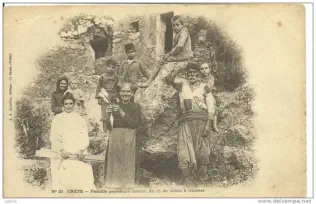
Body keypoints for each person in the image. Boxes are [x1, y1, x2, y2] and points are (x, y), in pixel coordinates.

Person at [165, 63, 217, 185]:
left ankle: (200, 179)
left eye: (195, 73)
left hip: (202, 122)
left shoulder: (205, 87)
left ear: (199, 75)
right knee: (184, 150)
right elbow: (169, 79)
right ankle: (187, 179)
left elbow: (211, 107)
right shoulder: (183, 84)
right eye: (190, 73)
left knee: (202, 151)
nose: (192, 75)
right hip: (186, 122)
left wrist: (208, 125)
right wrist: (183, 66)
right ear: (187, 75)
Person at [50, 92, 95, 190]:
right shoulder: (57, 118)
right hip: (63, 150)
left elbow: (84, 137)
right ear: (63, 105)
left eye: (70, 103)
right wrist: (61, 150)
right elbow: (53, 137)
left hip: (77, 150)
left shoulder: (79, 119)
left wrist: (81, 149)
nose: (68, 106)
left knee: (81, 170)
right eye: (66, 104)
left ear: (74, 104)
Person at [104, 83, 142, 188]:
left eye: (128, 91)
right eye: (123, 91)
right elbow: (109, 126)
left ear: (132, 94)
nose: (125, 93)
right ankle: (114, 184)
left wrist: (120, 112)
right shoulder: (115, 105)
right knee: (116, 160)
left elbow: (134, 123)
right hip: (115, 136)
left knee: (127, 160)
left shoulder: (136, 106)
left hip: (129, 137)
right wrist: (108, 115)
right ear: (120, 93)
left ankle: (127, 185)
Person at [141, 15, 193, 87]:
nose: (175, 27)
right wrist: (169, 54)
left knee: (160, 60)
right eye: (173, 25)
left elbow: (180, 46)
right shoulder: (179, 33)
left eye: (177, 25)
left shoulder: (184, 31)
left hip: (183, 57)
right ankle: (151, 79)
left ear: (182, 24)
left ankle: (149, 81)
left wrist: (169, 54)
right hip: (180, 56)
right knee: (163, 57)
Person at [95, 58, 119, 133]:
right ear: (106, 67)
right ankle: (105, 132)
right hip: (105, 97)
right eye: (109, 66)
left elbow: (117, 87)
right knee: (105, 115)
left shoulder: (116, 77)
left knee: (113, 113)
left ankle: (113, 130)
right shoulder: (102, 77)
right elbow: (99, 87)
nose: (111, 69)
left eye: (113, 67)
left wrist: (117, 97)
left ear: (114, 68)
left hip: (113, 97)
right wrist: (99, 98)